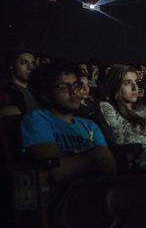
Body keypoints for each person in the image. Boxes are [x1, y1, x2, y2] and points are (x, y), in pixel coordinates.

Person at [21, 60, 116, 227]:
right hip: (65, 196)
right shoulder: (37, 119)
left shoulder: (89, 125)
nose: (74, 92)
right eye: (63, 87)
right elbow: (54, 170)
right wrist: (94, 157)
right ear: (45, 94)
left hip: (99, 187)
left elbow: (108, 166)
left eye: (76, 85)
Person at [100, 64, 146, 172]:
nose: (135, 87)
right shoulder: (107, 107)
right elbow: (123, 138)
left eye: (136, 82)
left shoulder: (142, 109)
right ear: (115, 85)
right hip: (142, 167)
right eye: (127, 83)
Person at [0, 49, 39, 115]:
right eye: (23, 63)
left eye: (33, 63)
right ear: (11, 67)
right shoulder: (5, 93)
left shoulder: (36, 91)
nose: (30, 67)